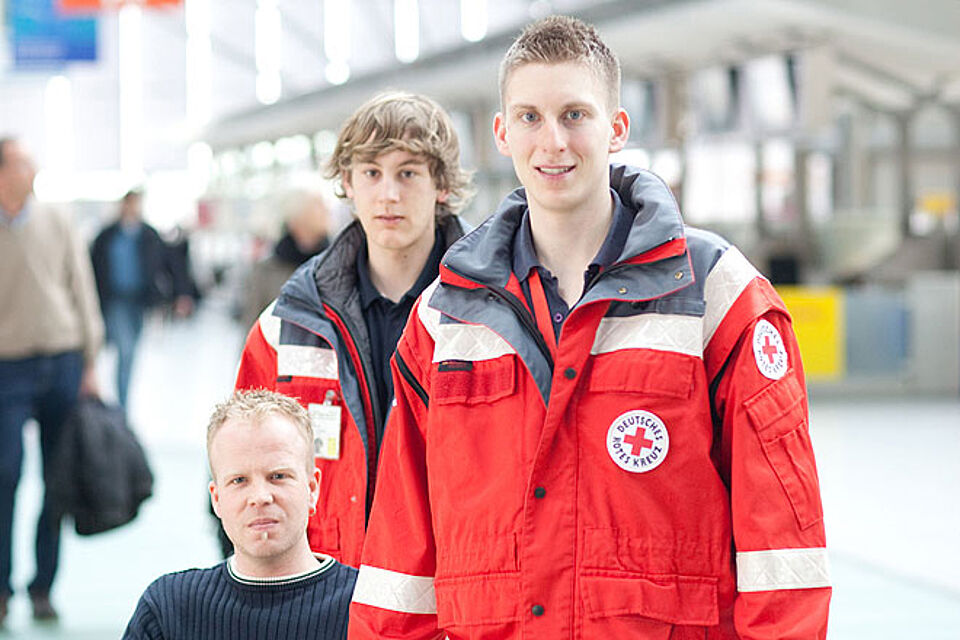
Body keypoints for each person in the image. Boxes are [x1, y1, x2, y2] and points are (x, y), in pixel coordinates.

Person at [349, 16, 831, 640]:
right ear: (501, 133)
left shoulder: (717, 294)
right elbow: (400, 555)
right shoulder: (445, 318)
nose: (552, 142)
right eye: (529, 118)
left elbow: (782, 548)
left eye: (575, 114)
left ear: (617, 128)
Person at [235, 91, 473, 569]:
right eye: (371, 173)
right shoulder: (286, 327)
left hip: (452, 588)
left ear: (440, 185)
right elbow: (243, 464)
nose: (388, 193)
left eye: (408, 173)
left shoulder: (492, 318)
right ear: (347, 183)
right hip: (326, 587)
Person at [123, 389, 356, 639]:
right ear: (217, 499)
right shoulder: (168, 610)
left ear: (312, 489)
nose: (260, 497)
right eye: (239, 480)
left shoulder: (366, 606)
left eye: (278, 476)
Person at [0, 137, 104, 624]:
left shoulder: (56, 219)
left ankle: (42, 586)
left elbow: (80, 285)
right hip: (6, 366)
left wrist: (89, 361)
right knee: (5, 475)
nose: (32, 168)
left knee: (56, 480)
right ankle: (1, 587)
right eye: (22, 162)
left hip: (61, 359)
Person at [90, 189, 193, 409]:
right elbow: (91, 268)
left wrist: (182, 294)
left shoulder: (149, 236)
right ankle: (121, 405)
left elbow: (170, 265)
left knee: (131, 351)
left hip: (139, 302)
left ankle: (121, 399)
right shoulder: (106, 236)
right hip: (114, 301)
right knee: (125, 350)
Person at [240, 187, 333, 332]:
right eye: (318, 206)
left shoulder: (338, 265)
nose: (326, 211)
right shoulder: (265, 272)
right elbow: (251, 328)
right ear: (299, 217)